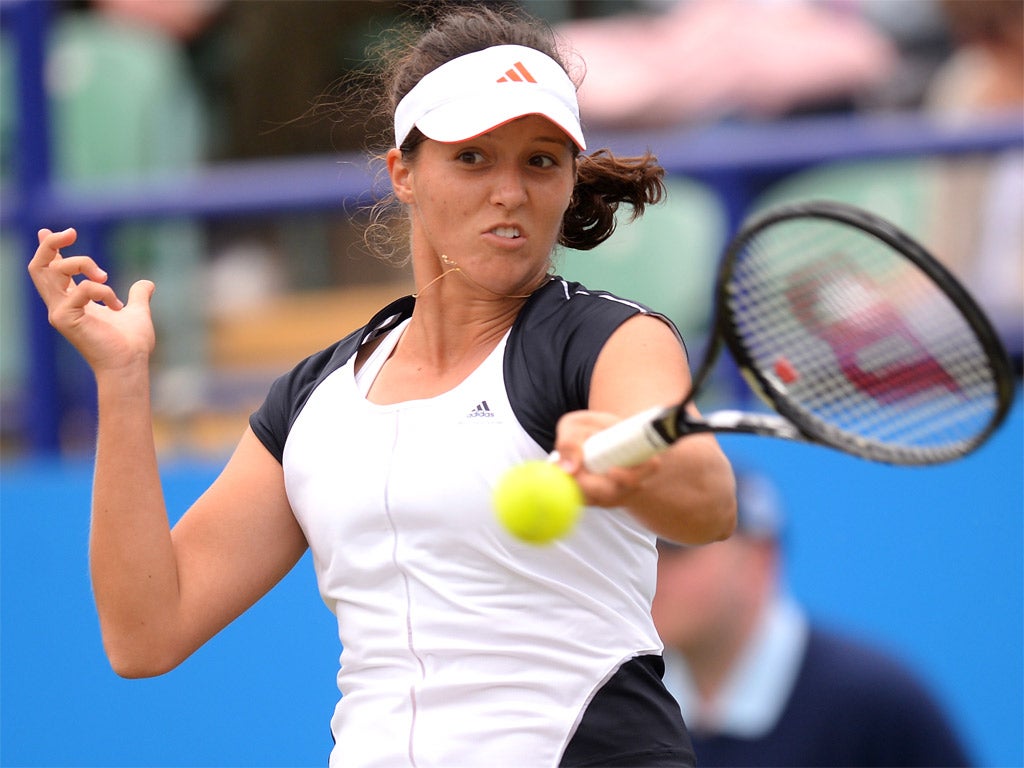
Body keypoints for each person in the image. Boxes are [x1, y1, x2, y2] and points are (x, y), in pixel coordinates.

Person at [27, 5, 736, 767]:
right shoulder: (313, 400)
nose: (510, 191)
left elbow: (708, 503)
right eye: (472, 158)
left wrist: (636, 465)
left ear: (568, 179)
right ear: (403, 172)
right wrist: (122, 379)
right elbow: (145, 632)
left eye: (540, 160)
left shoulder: (606, 343)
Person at [652, 470, 973, 767]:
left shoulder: (876, 701)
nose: (652, 572)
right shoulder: (629, 694)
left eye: (676, 548)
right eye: (647, 549)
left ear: (758, 562)